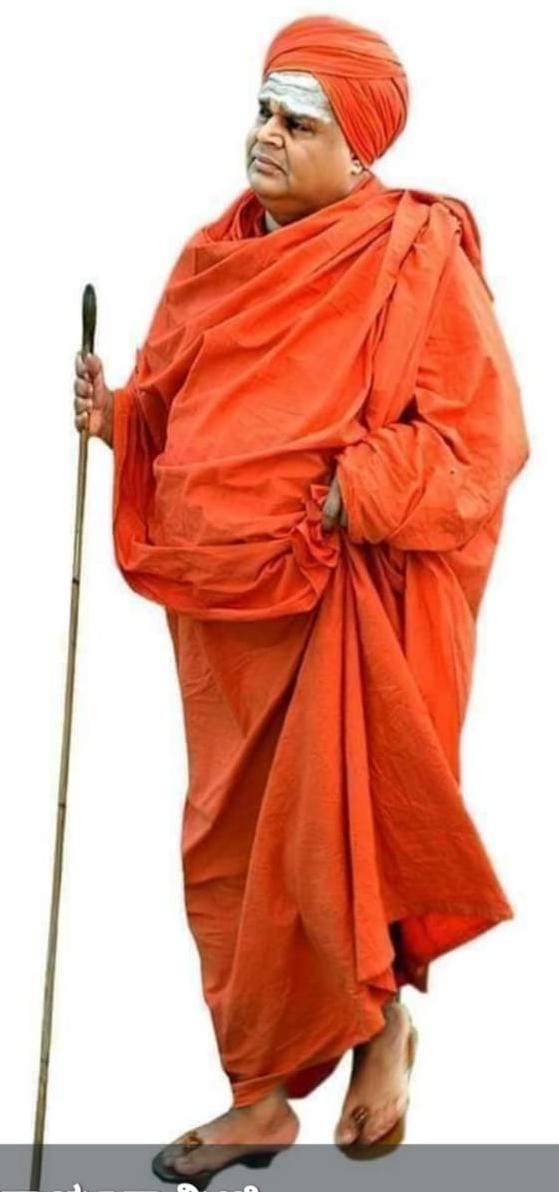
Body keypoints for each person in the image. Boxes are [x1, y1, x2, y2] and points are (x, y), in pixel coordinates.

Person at [73, 12, 530, 1184]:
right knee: (231, 860)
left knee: (336, 843)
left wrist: (352, 491)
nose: (266, 136)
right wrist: (118, 417)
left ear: (357, 147)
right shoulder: (212, 255)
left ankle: (374, 1036)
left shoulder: (412, 255)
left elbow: (482, 442)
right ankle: (260, 1096)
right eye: (263, 113)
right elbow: (181, 411)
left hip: (341, 606)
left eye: (298, 123)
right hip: (222, 622)